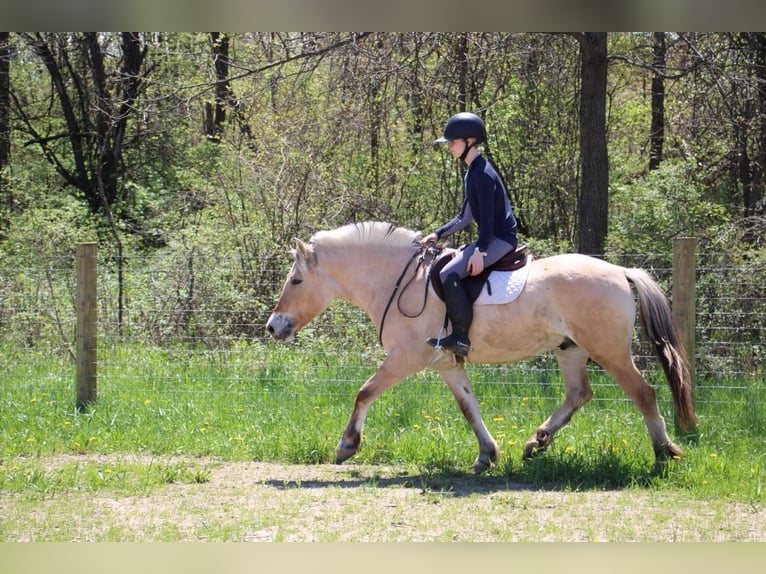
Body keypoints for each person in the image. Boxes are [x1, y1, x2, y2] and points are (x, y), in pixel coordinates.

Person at [420, 112, 518, 357]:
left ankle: (461, 338)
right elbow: (465, 217)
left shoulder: (482, 175)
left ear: (470, 141)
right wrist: (437, 234)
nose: (450, 146)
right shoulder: (473, 171)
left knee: (448, 272)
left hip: (500, 238)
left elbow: (487, 219)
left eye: (453, 142)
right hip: (491, 235)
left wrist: (480, 251)